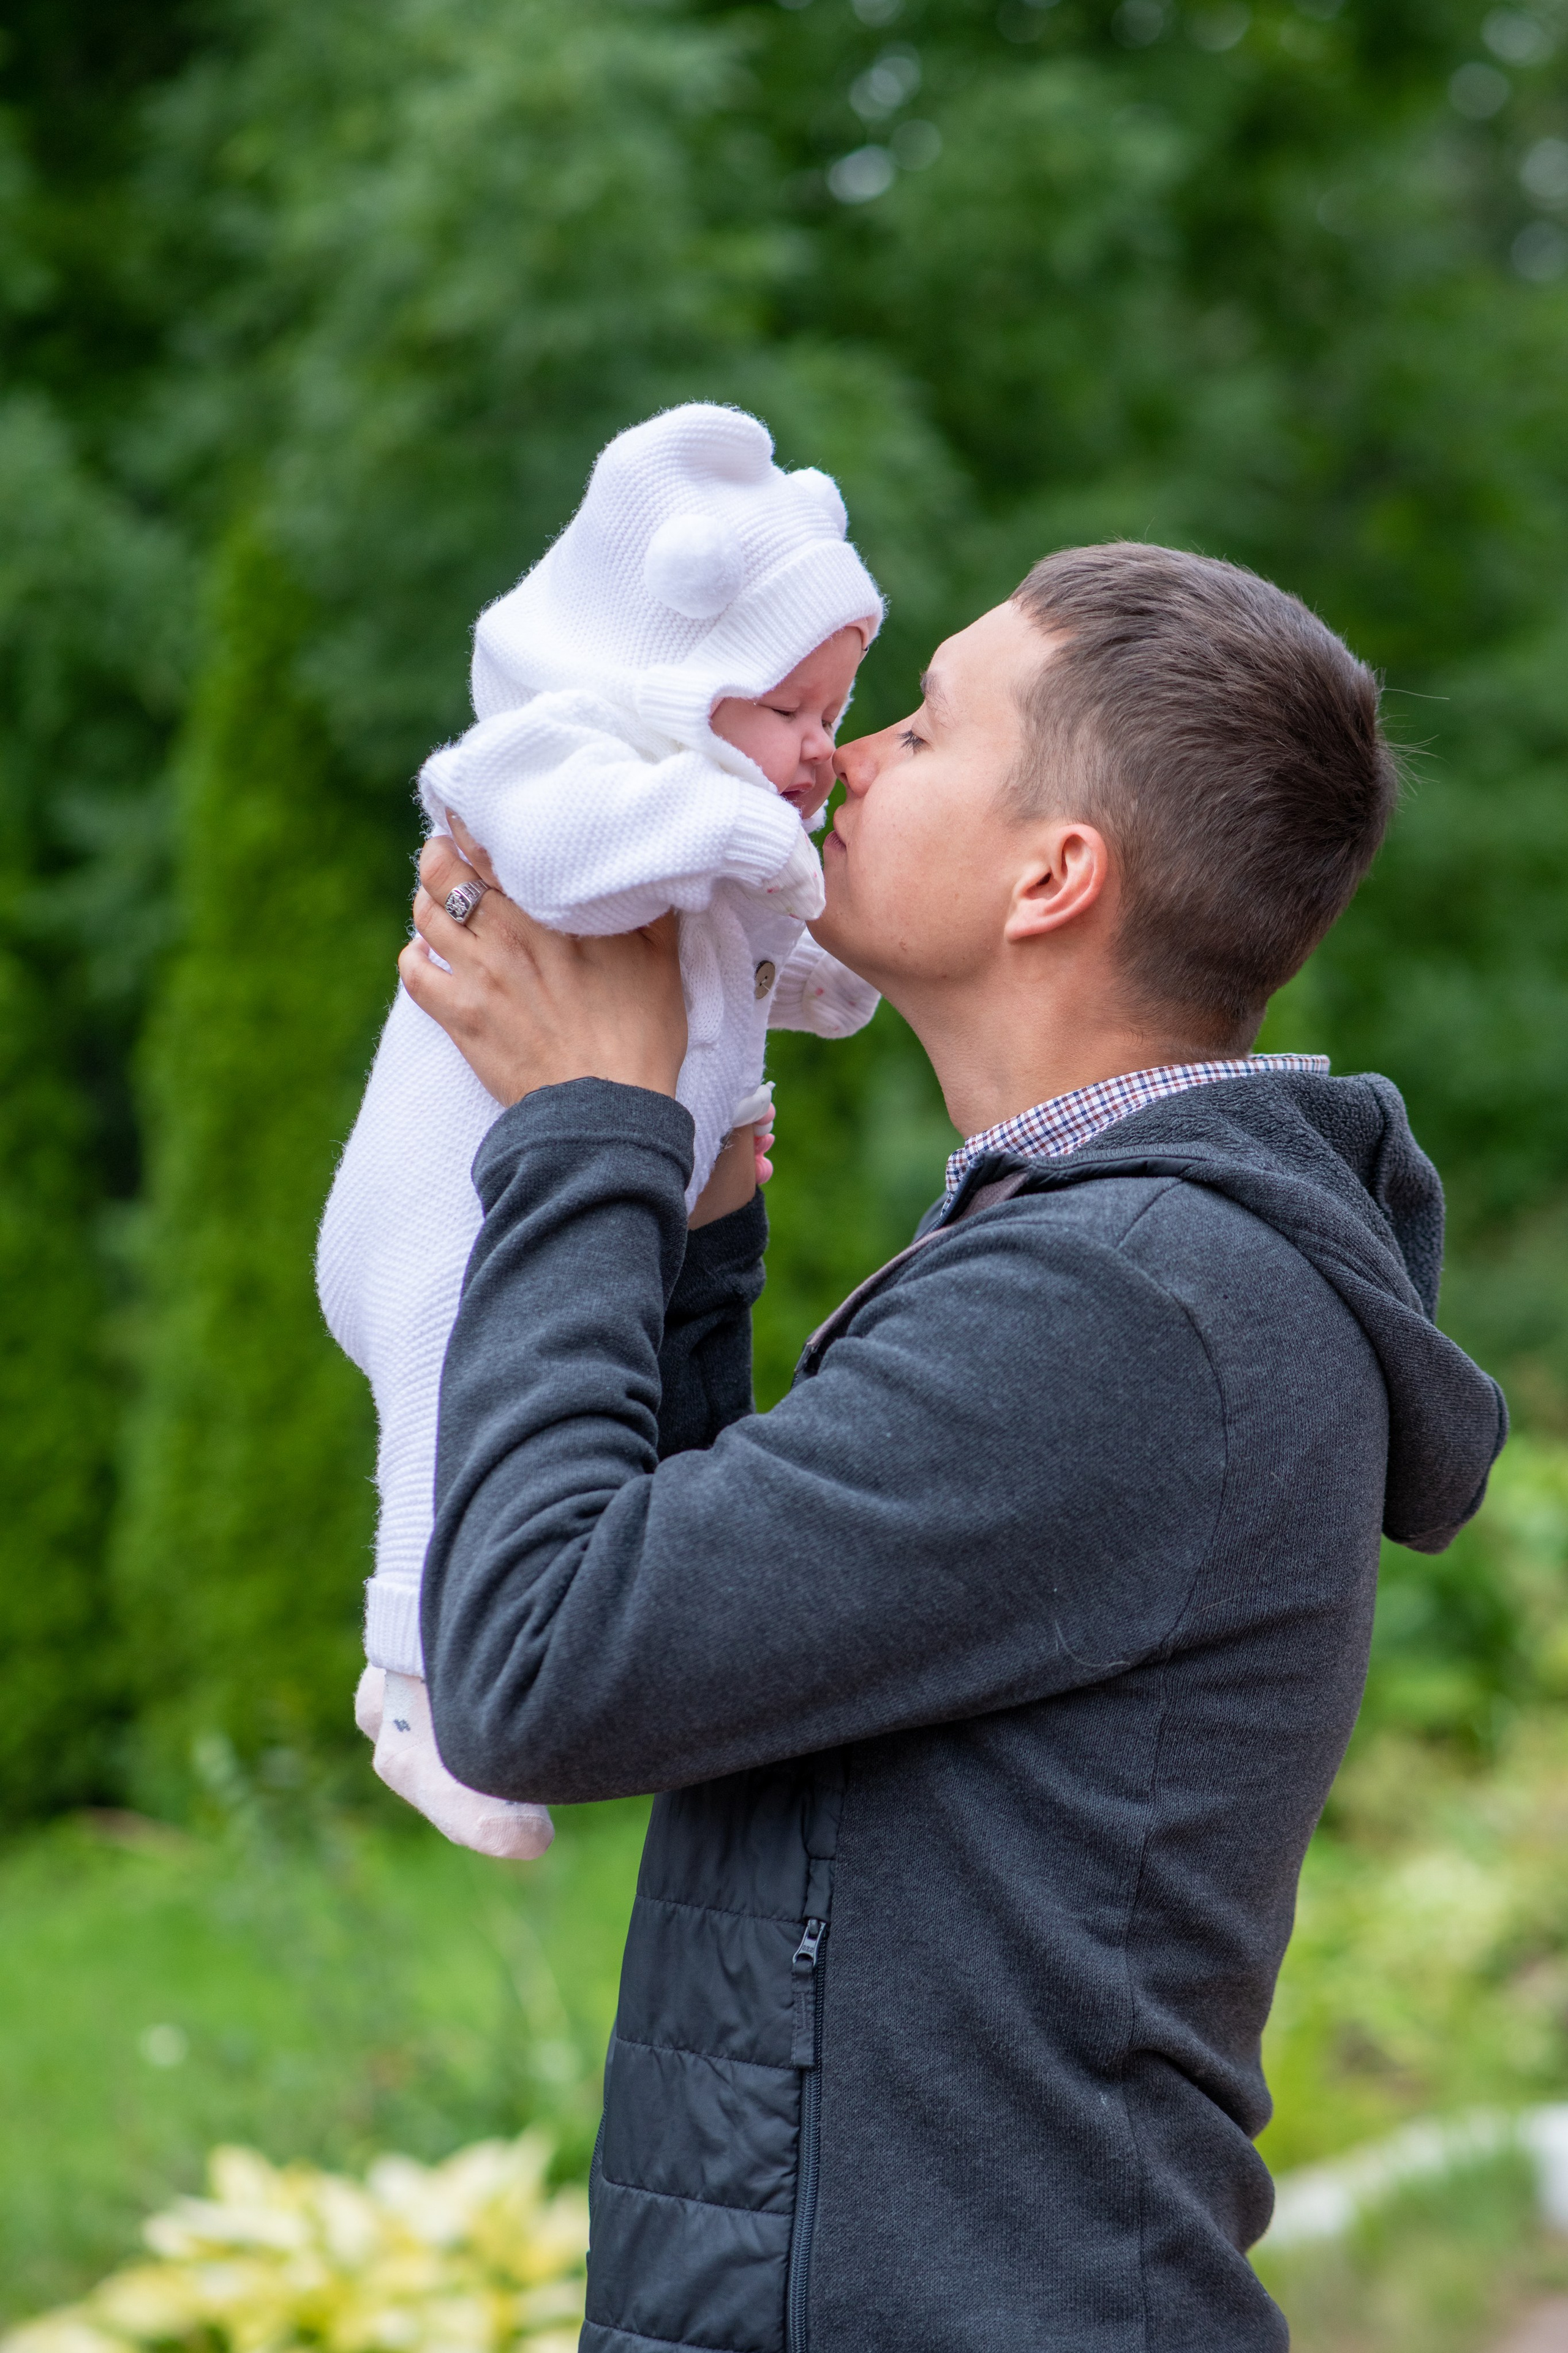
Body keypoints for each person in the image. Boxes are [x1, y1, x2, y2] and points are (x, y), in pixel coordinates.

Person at [394, 542, 1506, 2352]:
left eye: (921, 728)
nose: (846, 757)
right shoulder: (1111, 1266)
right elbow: (720, 1667)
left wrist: (587, 1133)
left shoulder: (1129, 1303)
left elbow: (535, 1670)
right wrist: (686, 1244)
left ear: (1055, 875)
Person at [315, 403, 883, 1856]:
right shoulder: (555, 760)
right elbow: (559, 864)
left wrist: (820, 963)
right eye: (789, 713)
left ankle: (459, 1671)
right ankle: (411, 1681)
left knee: (558, 1427)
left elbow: (760, 973)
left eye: (831, 713)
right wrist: (762, 846)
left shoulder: (697, 814)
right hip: (442, 1195)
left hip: (571, 1177)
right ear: (676, 677)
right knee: (447, 1408)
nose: (819, 754)